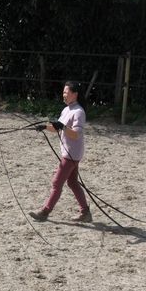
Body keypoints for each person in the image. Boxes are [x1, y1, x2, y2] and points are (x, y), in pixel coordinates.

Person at [29, 81, 92, 222]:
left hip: (72, 154)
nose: (63, 95)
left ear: (75, 94)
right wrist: (45, 127)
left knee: (57, 182)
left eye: (66, 92)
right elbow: (57, 127)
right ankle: (85, 213)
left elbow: (76, 134)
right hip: (70, 152)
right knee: (73, 183)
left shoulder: (79, 112)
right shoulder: (67, 110)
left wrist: (62, 127)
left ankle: (44, 212)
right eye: (63, 92)